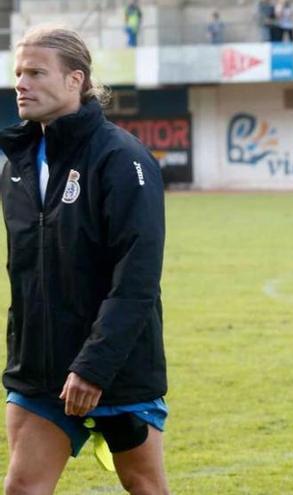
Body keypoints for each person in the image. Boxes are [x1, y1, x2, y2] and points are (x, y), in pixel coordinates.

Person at [0, 26, 169, 494]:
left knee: (145, 485)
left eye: (36, 72)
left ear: (76, 80)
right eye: (18, 72)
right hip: (40, 372)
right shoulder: (15, 163)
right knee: (22, 487)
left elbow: (136, 278)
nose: (21, 83)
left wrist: (93, 367)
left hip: (116, 368)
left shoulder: (122, 159)